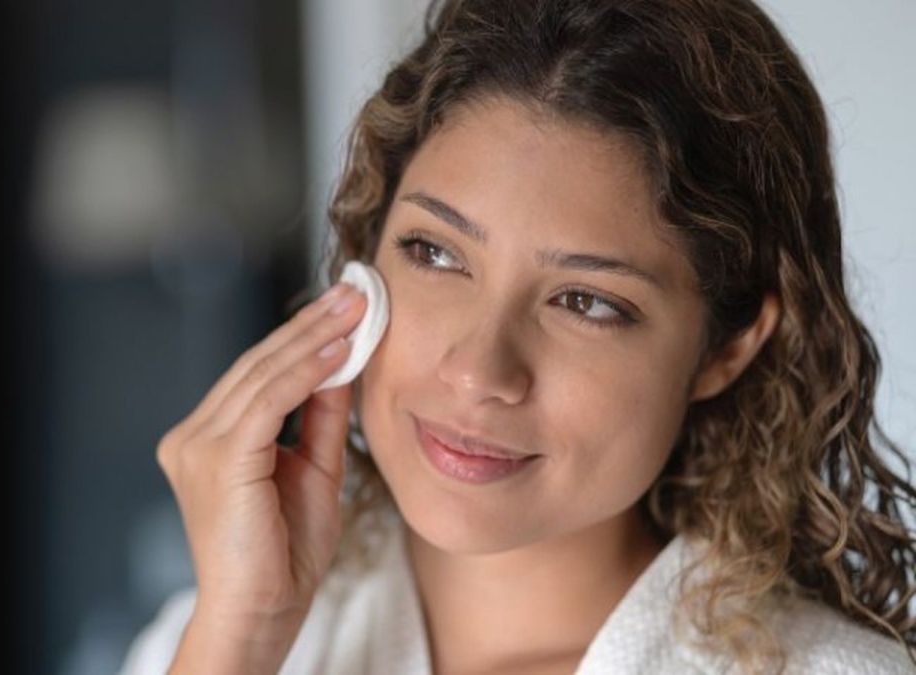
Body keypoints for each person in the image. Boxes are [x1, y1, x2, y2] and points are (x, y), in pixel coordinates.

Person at [121, 0, 916, 672]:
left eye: (586, 301)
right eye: (435, 253)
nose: (478, 370)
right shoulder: (206, 639)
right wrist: (238, 641)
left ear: (727, 346)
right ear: (366, 251)